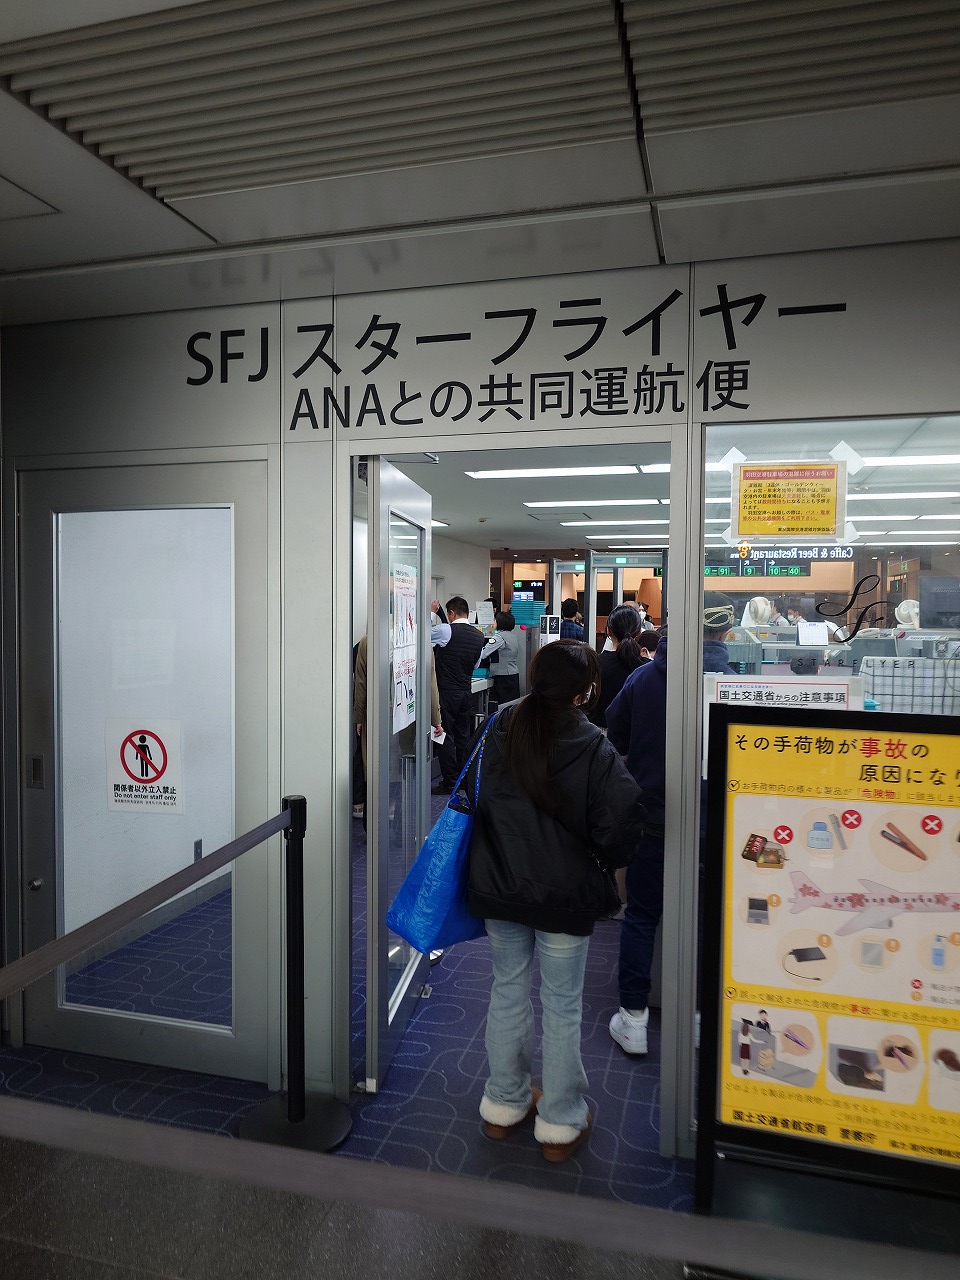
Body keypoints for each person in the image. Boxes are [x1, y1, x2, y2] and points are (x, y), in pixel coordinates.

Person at [466, 641, 646, 1163]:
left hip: (499, 884)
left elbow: (471, 796)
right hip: (565, 895)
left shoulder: (499, 727)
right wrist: (602, 859)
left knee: (507, 991)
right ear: (583, 691)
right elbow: (622, 821)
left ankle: (503, 1105)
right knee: (563, 1005)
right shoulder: (591, 745)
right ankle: (561, 1122)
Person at [605, 591, 736, 1055]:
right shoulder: (737, 685)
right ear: (727, 632)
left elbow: (616, 734)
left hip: (654, 817)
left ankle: (633, 1019)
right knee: (708, 920)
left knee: (641, 916)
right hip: (714, 825)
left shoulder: (643, 678)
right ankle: (701, 1017)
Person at [431, 595, 485, 793]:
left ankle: (450, 781)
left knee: (443, 735)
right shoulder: (479, 636)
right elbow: (476, 664)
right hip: (465, 692)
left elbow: (419, 635)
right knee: (463, 736)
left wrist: (431, 613)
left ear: (452, 613)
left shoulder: (446, 630)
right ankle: (463, 779)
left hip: (446, 692)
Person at [589, 603, 645, 729]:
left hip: (599, 733)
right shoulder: (646, 668)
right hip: (635, 733)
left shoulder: (594, 664)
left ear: (608, 631)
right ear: (639, 631)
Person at [479, 610, 523, 706]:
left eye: (495, 620)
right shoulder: (513, 636)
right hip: (513, 674)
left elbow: (483, 654)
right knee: (513, 705)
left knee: (503, 706)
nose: (493, 623)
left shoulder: (499, 637)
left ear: (500, 622)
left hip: (503, 676)